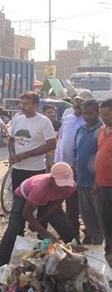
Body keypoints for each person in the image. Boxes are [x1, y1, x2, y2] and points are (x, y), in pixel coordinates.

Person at [0, 163, 77, 269]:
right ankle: (1, 266)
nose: (64, 188)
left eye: (66, 184)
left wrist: (39, 221)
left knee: (66, 227)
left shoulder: (70, 187)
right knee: (13, 230)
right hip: (23, 196)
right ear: (52, 180)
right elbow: (26, 213)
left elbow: (56, 205)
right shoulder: (40, 187)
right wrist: (46, 233)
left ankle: (74, 259)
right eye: (61, 184)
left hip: (48, 200)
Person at [8, 92, 56, 193]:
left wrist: (26, 154)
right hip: (18, 168)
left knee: (34, 201)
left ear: (35, 105)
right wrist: (12, 154)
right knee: (17, 201)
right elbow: (11, 140)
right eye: (21, 103)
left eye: (26, 104)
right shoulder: (18, 119)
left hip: (35, 169)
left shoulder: (44, 122)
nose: (22, 106)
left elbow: (51, 144)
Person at [55, 94, 87, 239]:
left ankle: (88, 232)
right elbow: (61, 141)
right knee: (69, 202)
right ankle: (72, 233)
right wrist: (56, 163)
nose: (77, 105)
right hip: (63, 168)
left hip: (80, 169)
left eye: (81, 103)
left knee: (82, 203)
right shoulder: (68, 118)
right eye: (76, 101)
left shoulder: (89, 121)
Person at [74, 99, 104, 245]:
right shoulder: (81, 130)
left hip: (96, 181)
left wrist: (98, 180)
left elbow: (103, 158)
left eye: (90, 113)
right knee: (86, 214)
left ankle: (100, 244)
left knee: (99, 215)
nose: (86, 116)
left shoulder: (103, 131)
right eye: (84, 113)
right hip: (81, 179)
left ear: (98, 113)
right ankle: (94, 240)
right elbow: (76, 152)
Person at [95, 98, 112, 256]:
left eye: (106, 114)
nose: (103, 117)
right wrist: (96, 182)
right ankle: (109, 250)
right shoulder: (102, 130)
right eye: (101, 114)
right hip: (102, 184)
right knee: (105, 220)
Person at [43, 104, 61, 172]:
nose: (51, 114)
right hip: (41, 153)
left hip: (53, 153)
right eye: (48, 112)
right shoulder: (41, 123)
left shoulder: (59, 124)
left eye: (52, 112)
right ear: (44, 114)